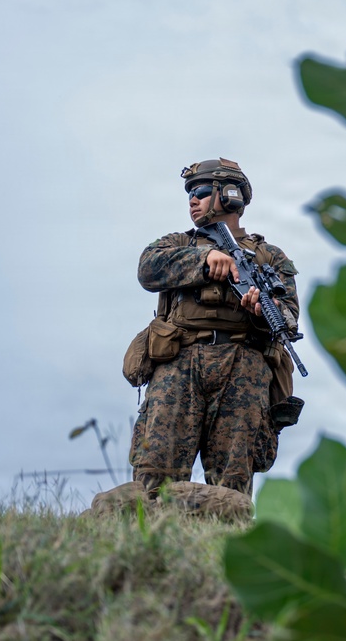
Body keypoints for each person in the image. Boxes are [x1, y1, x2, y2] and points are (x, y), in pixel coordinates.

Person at [128, 158, 300, 497]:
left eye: (202, 192)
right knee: (154, 473)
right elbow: (147, 269)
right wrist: (203, 261)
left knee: (232, 480)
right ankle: (147, 543)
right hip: (180, 360)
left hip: (243, 367)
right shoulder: (180, 243)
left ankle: (226, 545)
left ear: (230, 196)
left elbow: (290, 317)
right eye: (191, 193)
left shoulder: (269, 257)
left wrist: (263, 310)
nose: (193, 200)